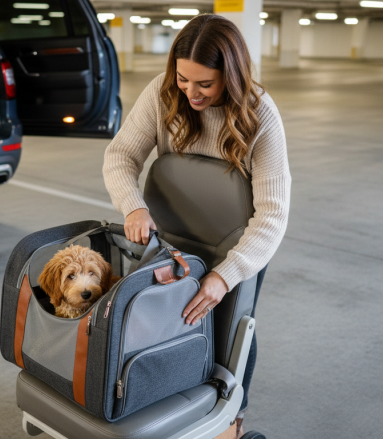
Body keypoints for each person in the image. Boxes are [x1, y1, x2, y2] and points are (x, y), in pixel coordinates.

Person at [103, 14, 291, 437]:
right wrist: (133, 207)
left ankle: (232, 420)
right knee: (165, 322)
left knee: (232, 331)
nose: (190, 92)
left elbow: (273, 215)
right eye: (184, 79)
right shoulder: (163, 92)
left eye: (204, 84)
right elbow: (120, 156)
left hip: (237, 247)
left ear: (232, 75)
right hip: (170, 241)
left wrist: (225, 277)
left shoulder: (262, 116)